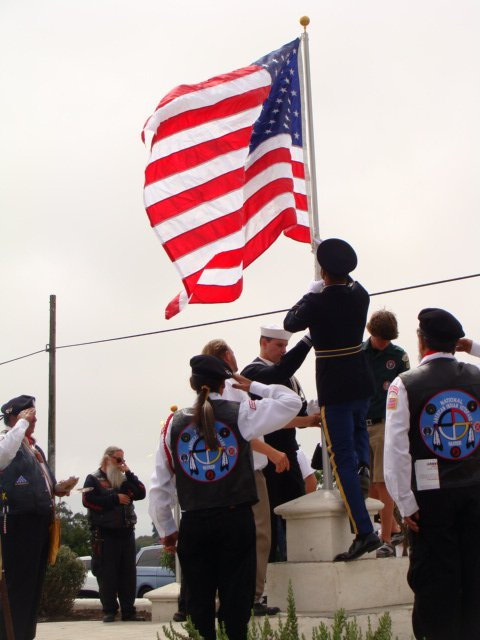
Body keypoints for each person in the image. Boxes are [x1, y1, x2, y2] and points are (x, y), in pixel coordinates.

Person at [149, 355, 302, 640]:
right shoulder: (241, 413)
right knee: (236, 602)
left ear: (192, 384)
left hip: (195, 521)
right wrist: (254, 385)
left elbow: (160, 484)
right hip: (236, 520)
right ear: (225, 383)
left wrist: (167, 529)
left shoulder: (173, 424)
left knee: (198, 605)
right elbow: (291, 402)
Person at [384, 308, 480, 640]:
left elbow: (396, 449)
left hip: (429, 500)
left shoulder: (404, 383)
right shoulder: (476, 375)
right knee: (474, 580)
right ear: (457, 342)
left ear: (422, 341)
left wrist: (405, 504)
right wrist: (474, 348)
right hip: (474, 491)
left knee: (435, 582)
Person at [284, 238, 379, 562]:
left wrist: (311, 292)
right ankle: (365, 465)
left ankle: (364, 531)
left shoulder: (316, 302)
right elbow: (352, 284)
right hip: (360, 379)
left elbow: (289, 322)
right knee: (359, 437)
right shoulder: (360, 294)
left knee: (341, 461)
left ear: (323, 272)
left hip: (334, 387)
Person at [202, 339, 290, 616]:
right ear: (227, 355)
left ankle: (234, 596)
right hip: (247, 472)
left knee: (231, 536)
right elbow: (242, 433)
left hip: (225, 474)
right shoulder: (231, 388)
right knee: (260, 534)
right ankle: (251, 596)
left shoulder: (216, 393)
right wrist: (274, 452)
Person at [0, 395, 77, 640]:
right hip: (17, 522)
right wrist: (19, 425)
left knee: (33, 586)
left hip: (39, 523)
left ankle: (24, 634)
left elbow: (45, 482)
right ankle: (11, 634)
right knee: (17, 586)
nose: (33, 421)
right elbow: (4, 454)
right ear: (14, 416)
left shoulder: (33, 448)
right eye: (29, 416)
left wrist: (58, 488)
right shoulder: (6, 439)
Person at [241, 324, 313, 561]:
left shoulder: (288, 376)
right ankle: (271, 571)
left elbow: (297, 410)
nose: (283, 350)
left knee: (296, 510)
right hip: (269, 454)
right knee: (270, 520)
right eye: (279, 345)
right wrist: (309, 420)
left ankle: (299, 561)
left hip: (289, 450)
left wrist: (311, 416)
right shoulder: (254, 372)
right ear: (263, 343)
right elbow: (272, 421)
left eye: (285, 346)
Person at [363, 310, 409, 557]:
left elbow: (405, 391)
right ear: (371, 332)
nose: (385, 343)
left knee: (382, 481)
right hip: (360, 423)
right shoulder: (358, 353)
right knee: (367, 484)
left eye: (388, 338)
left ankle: (386, 539)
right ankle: (392, 527)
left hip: (385, 424)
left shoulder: (398, 356)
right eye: (381, 338)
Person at [82, 446, 146, 623]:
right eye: (118, 460)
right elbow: (88, 500)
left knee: (128, 574)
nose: (121, 464)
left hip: (126, 532)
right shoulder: (93, 479)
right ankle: (109, 610)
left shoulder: (123, 479)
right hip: (105, 534)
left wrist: (129, 473)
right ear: (107, 459)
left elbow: (141, 493)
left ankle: (128, 611)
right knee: (107, 573)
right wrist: (114, 499)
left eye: (123, 460)